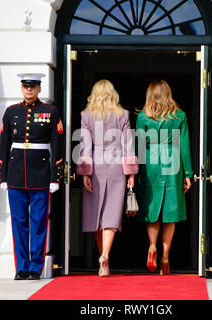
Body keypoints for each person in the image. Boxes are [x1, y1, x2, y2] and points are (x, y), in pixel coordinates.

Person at [0, 73, 64, 280]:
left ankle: (35, 268)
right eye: (26, 87)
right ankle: (21, 267)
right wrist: (3, 175)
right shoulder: (11, 112)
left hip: (41, 174)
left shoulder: (50, 112)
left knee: (38, 222)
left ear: (39, 89)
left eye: (33, 87)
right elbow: (4, 144)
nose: (29, 90)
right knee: (19, 222)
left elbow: (57, 145)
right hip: (16, 173)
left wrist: (55, 177)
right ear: (21, 88)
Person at [76, 79, 138, 277]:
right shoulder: (123, 114)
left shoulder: (86, 115)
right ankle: (105, 255)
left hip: (95, 163)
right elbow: (128, 144)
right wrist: (131, 173)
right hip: (116, 164)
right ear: (113, 94)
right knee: (112, 213)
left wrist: (85, 172)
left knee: (96, 214)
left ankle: (102, 255)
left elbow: (84, 145)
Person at [136, 79, 193, 275]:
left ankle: (152, 246)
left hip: (150, 161)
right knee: (171, 212)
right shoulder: (179, 116)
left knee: (153, 209)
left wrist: (138, 172)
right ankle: (166, 255)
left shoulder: (143, 116)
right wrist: (188, 174)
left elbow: (140, 147)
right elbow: (184, 146)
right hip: (173, 159)